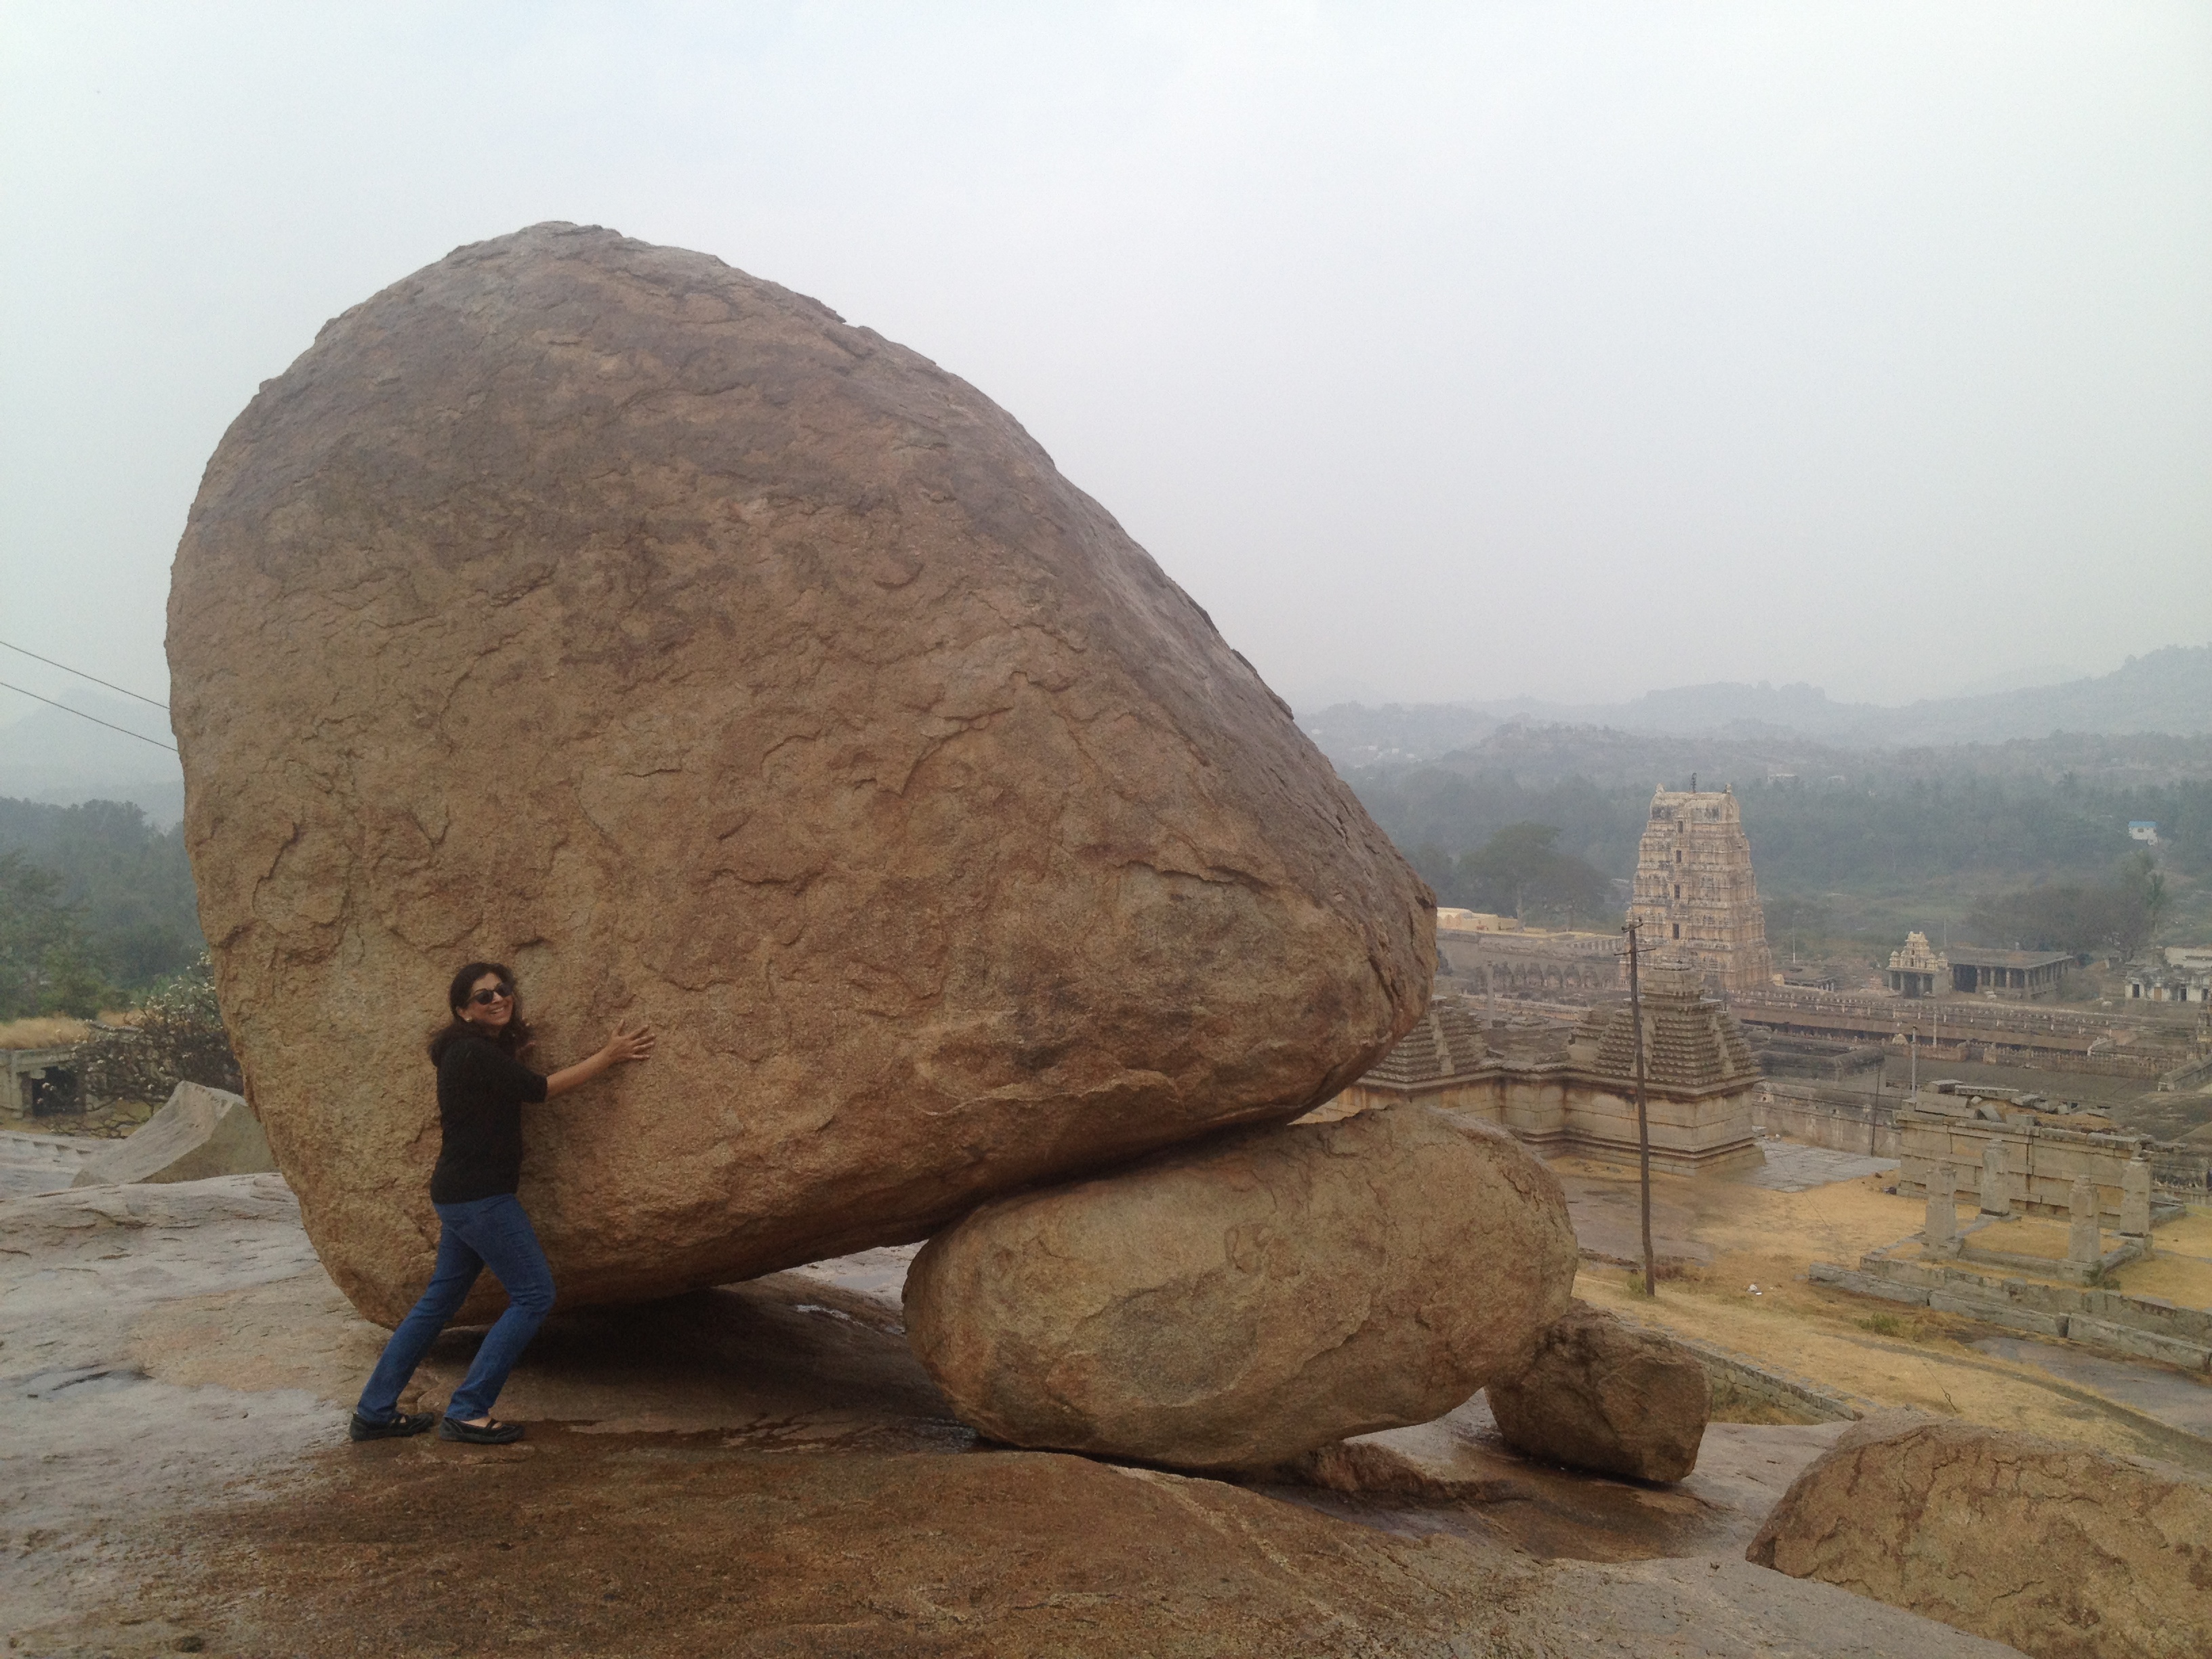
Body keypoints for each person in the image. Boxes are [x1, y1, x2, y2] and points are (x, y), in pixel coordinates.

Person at [349, 961, 655, 1445]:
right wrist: (608, 1056)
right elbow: (540, 1090)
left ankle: (373, 1411)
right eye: (482, 997)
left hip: (460, 1196)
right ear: (463, 1011)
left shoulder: (469, 1053)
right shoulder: (473, 1054)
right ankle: (469, 1409)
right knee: (535, 1295)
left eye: (502, 990)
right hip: (481, 1199)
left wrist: (512, 1048)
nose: (497, 999)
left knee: (438, 1303)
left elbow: (504, 1086)